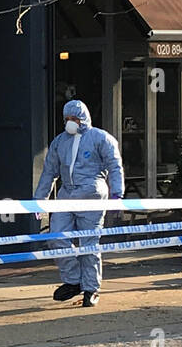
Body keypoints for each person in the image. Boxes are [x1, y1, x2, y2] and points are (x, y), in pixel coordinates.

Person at [33, 100, 124, 308]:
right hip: (66, 195)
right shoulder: (59, 142)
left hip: (91, 195)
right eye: (66, 119)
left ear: (83, 119)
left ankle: (91, 288)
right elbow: (49, 172)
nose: (70, 123)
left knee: (89, 243)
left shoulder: (101, 138)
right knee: (56, 237)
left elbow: (114, 165)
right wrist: (40, 200)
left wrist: (117, 194)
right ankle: (73, 280)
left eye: (73, 119)